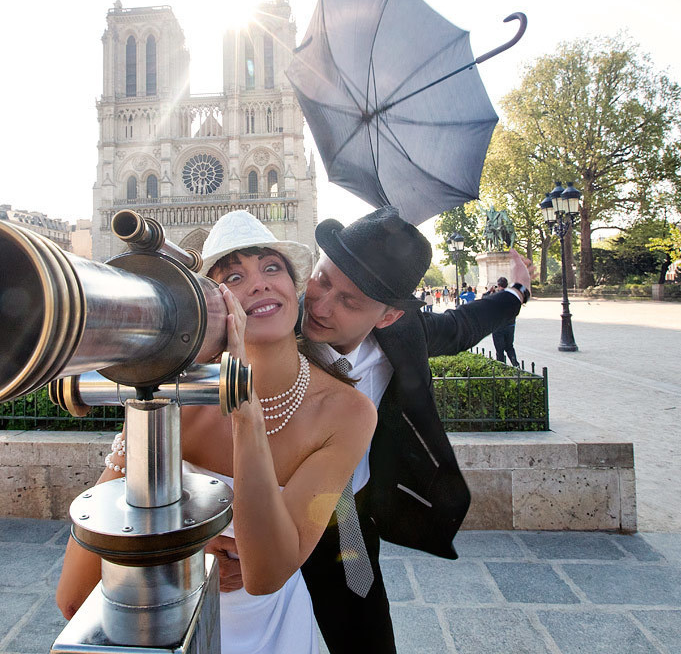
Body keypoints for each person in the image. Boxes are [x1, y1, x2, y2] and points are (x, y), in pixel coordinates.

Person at [55, 210, 376, 654]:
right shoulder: (173, 399)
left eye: (271, 267)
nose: (260, 283)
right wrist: (190, 556)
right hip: (171, 622)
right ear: (209, 304)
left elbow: (266, 575)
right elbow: (74, 597)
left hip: (273, 632)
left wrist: (244, 410)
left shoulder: (347, 412)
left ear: (294, 286)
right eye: (233, 277)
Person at [214, 207, 531, 653]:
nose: (320, 306)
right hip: (253, 507)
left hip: (344, 516)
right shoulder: (271, 313)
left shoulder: (404, 337)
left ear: (387, 318)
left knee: (364, 631)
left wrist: (517, 291)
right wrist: (207, 544)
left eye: (351, 301)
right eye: (323, 280)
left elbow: (464, 326)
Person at [491, 276, 519, 366]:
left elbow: (485, 301)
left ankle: (502, 368)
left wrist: (489, 292)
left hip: (498, 327)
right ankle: (516, 365)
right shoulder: (513, 296)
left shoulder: (495, 296)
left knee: (499, 350)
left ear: (498, 285)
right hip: (510, 326)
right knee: (510, 347)